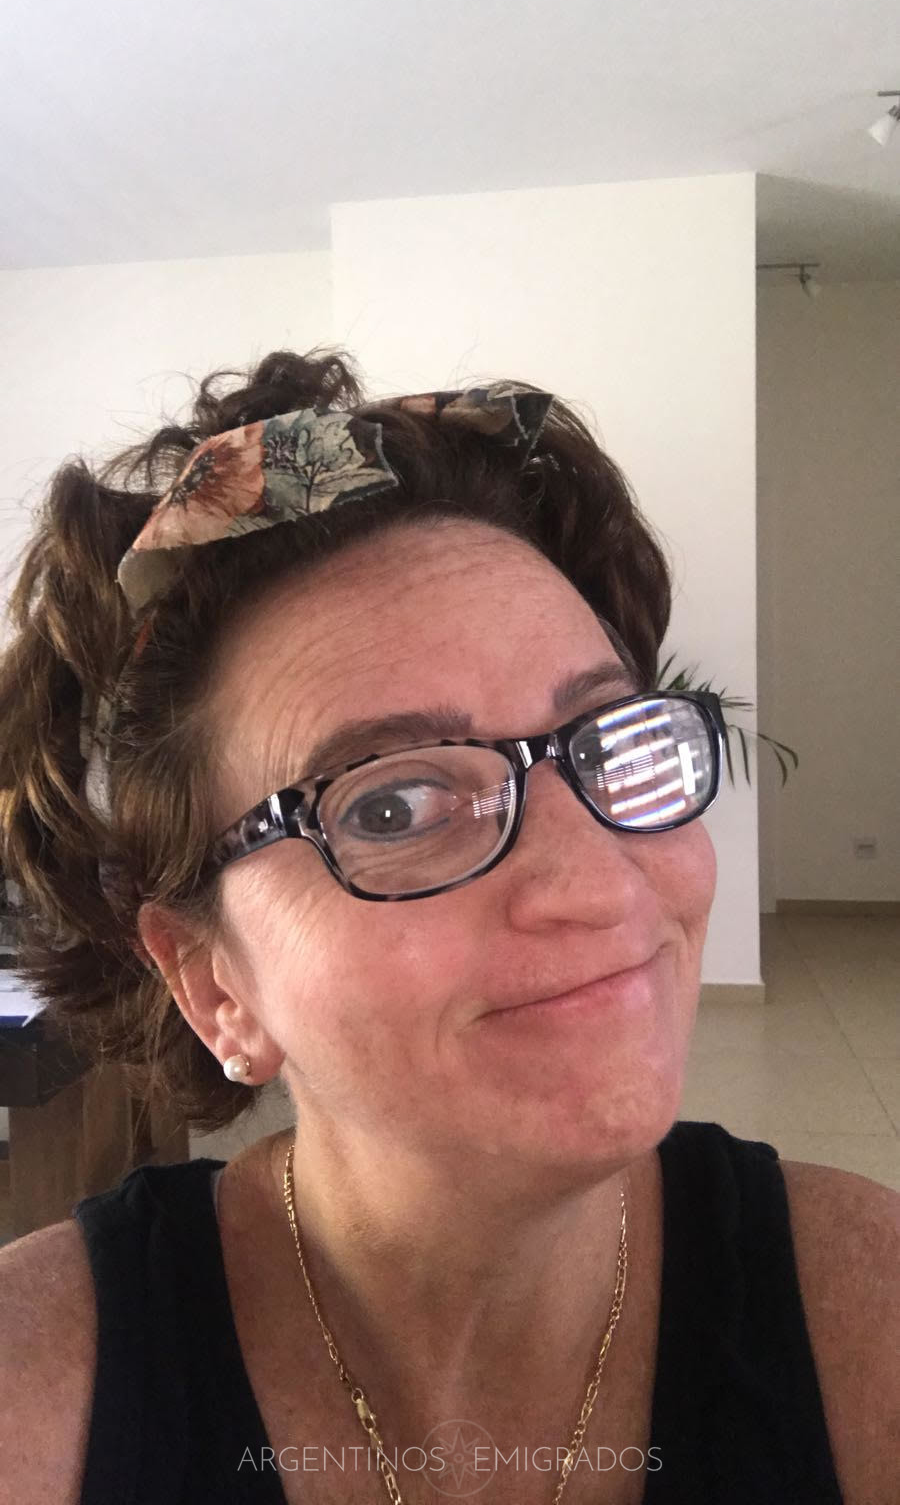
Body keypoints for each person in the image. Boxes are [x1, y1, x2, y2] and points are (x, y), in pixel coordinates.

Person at [0, 348, 896, 1505]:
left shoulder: (864, 1316)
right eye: (393, 805)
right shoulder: (39, 1403)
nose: (600, 882)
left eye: (605, 740)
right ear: (214, 982)